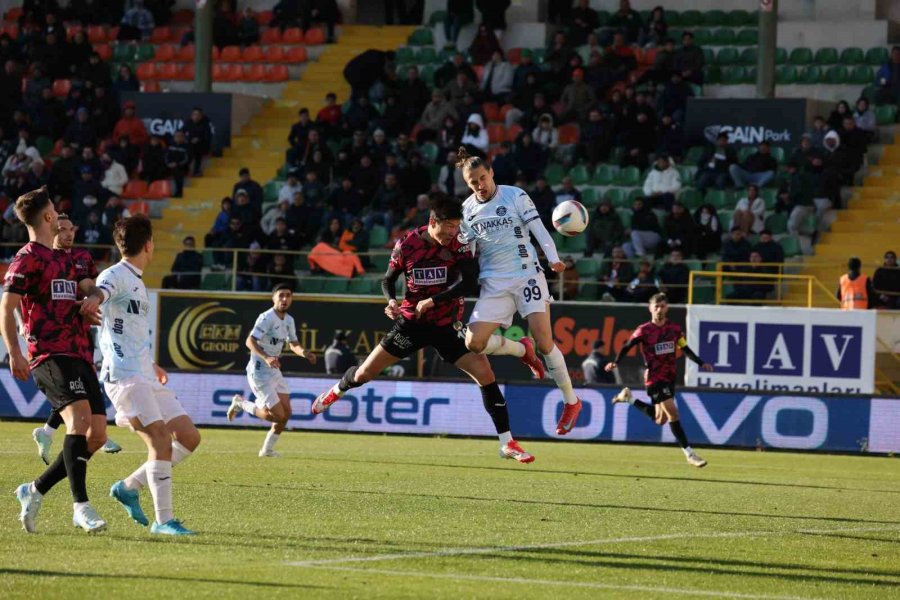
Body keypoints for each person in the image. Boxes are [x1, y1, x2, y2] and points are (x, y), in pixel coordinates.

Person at [309, 195, 536, 462]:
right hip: (412, 325)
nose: (453, 232)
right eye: (448, 226)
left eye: (456, 225)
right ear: (433, 221)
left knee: (486, 375)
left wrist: (434, 301)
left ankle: (507, 443)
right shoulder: (407, 244)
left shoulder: (459, 243)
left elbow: (469, 284)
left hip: (447, 325)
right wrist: (391, 301)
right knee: (364, 373)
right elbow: (388, 280)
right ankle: (336, 391)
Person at [81, 215, 201, 536]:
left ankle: (128, 486)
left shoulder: (136, 279)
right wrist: (92, 300)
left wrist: (153, 364)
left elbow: (128, 330)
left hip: (144, 371)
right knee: (160, 440)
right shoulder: (116, 275)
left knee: (189, 437)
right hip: (125, 376)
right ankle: (164, 521)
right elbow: (100, 292)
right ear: (149, 245)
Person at [453, 148, 584, 435]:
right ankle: (519, 349)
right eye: (473, 182)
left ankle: (571, 401)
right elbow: (468, 251)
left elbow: (538, 229)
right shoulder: (467, 210)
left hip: (527, 276)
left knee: (545, 342)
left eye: (483, 178)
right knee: (473, 344)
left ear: (491, 173)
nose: (480, 185)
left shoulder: (515, 196)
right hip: (494, 283)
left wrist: (552, 259)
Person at [3, 187, 108, 533]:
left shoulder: (64, 258)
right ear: (49, 217)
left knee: (97, 437)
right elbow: (7, 306)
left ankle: (33, 490)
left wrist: (87, 305)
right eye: (55, 210)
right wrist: (15, 352)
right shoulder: (27, 257)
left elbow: (78, 291)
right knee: (78, 420)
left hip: (80, 352)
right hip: (49, 353)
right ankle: (81, 506)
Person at [30, 214, 124, 463]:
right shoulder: (41, 259)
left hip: (79, 337)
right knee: (74, 396)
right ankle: (89, 434)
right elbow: (24, 299)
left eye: (71, 229)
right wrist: (21, 324)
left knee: (78, 392)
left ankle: (51, 432)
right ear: (51, 231)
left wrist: (94, 297)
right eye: (62, 230)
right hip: (53, 341)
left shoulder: (81, 257)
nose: (68, 234)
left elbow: (87, 286)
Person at [605, 293, 712, 467]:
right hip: (655, 377)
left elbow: (684, 348)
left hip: (670, 377)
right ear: (650, 308)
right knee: (673, 413)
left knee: (660, 419)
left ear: (667, 307)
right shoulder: (644, 330)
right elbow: (628, 346)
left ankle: (628, 398)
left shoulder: (675, 329)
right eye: (656, 306)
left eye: (662, 306)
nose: (659, 309)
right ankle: (689, 453)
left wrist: (701, 362)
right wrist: (616, 362)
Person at [225, 284, 318, 457]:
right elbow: (249, 341)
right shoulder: (266, 317)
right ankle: (241, 403)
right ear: (273, 298)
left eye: (288, 295)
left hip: (274, 371)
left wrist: (305, 353)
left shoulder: (289, 320)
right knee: (276, 416)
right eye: (281, 295)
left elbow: (293, 344)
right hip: (259, 372)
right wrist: (266, 357)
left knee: (286, 414)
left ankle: (266, 450)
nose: (285, 299)